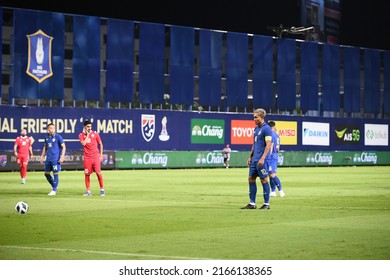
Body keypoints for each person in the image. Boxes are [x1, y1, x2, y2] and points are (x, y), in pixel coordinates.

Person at [241, 108, 273, 210]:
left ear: (262, 117)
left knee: (264, 179)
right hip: (254, 159)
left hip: (262, 160)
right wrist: (250, 156)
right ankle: (252, 203)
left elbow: (268, 145)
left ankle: (266, 204)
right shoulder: (256, 129)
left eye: (256, 117)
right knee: (251, 179)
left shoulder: (266, 129)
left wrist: (263, 158)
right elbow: (254, 144)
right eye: (253, 117)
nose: (254, 119)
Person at [79, 120, 105, 196]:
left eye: (90, 126)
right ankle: (88, 191)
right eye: (88, 126)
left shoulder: (95, 134)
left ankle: (102, 189)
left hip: (95, 157)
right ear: (84, 127)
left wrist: (101, 155)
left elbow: (100, 144)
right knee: (87, 174)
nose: (89, 128)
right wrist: (87, 135)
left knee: (98, 172)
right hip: (87, 158)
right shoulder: (81, 135)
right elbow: (84, 143)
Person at [39, 123, 66, 196]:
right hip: (48, 158)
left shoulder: (58, 137)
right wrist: (42, 156)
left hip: (55, 159)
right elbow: (45, 147)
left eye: (53, 128)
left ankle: (54, 190)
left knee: (55, 173)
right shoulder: (46, 137)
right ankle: (55, 186)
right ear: (48, 129)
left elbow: (64, 146)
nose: (52, 129)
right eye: (50, 128)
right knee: (46, 174)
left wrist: (62, 156)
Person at [268, 121, 285, 197]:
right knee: (270, 174)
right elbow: (278, 149)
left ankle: (281, 190)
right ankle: (273, 191)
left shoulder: (270, 135)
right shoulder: (277, 135)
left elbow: (271, 146)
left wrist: (269, 156)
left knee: (272, 174)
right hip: (275, 155)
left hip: (271, 156)